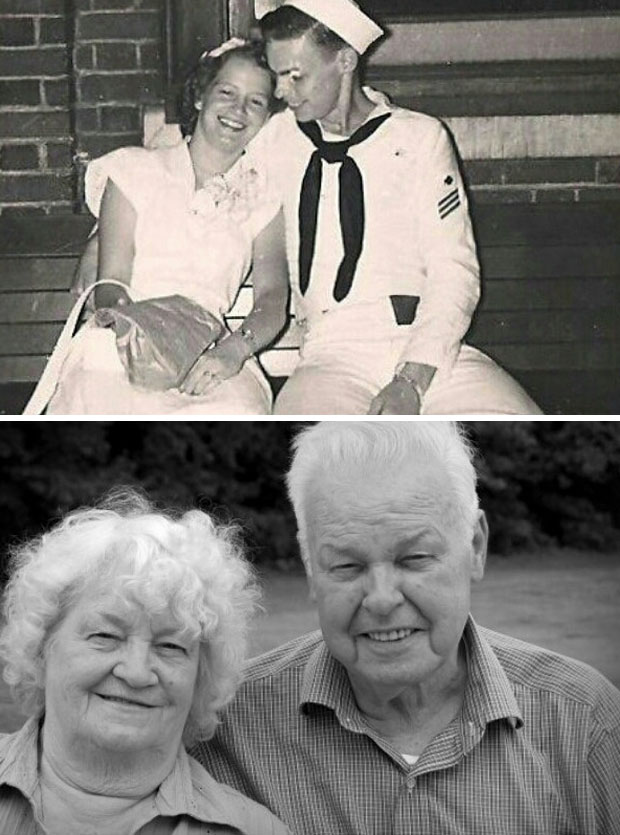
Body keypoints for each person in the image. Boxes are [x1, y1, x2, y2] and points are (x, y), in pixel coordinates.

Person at [193, 422, 620, 834]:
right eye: (347, 565)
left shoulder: (586, 724)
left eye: (414, 559)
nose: (381, 600)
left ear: (475, 546)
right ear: (310, 569)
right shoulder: (221, 725)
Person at [0, 490, 291, 834]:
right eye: (106, 636)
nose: (136, 672)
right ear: (41, 648)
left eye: (170, 646)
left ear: (200, 678)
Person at [248, 0, 541, 415]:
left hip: (427, 351)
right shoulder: (276, 138)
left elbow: (454, 270)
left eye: (295, 76)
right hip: (331, 357)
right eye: (276, 76)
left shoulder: (419, 138)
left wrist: (412, 379)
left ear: (345, 61)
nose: (280, 92)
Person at [47, 40, 289, 415]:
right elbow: (111, 282)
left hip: (209, 351)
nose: (238, 110)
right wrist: (138, 332)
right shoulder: (132, 170)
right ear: (200, 97)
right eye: (226, 92)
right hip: (122, 341)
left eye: (255, 101)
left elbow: (273, 299)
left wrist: (234, 350)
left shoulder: (264, 199)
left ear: (267, 117)